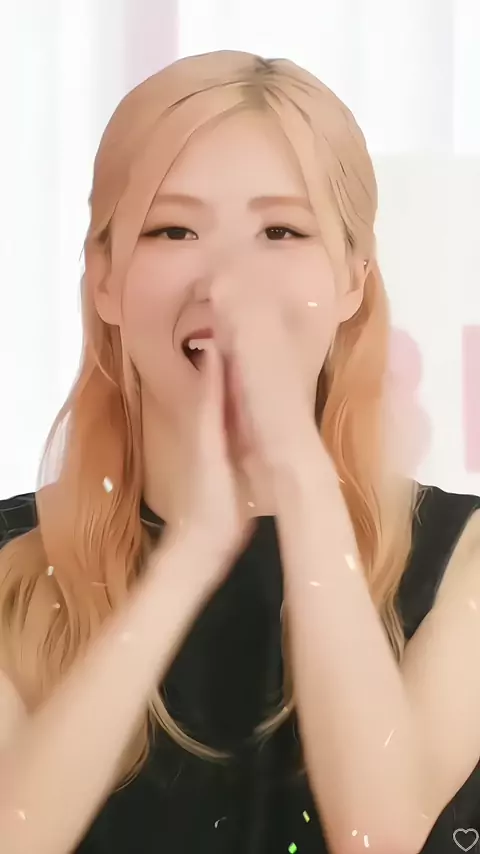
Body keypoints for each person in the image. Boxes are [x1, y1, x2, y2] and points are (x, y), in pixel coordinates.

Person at [0, 50, 479, 854]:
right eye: (174, 230)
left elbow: (381, 835)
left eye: (281, 231)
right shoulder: (13, 566)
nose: (225, 284)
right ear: (105, 278)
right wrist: (190, 556)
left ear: (354, 279)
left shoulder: (464, 561)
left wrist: (300, 480)